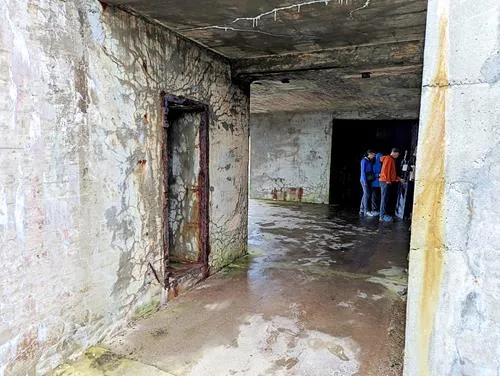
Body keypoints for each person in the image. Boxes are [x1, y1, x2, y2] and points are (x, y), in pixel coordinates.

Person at [379, 148, 402, 222]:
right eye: (397, 154)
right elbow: (386, 171)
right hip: (385, 182)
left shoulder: (391, 159)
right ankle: (382, 217)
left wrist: (398, 179)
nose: (397, 156)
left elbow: (392, 173)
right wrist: (388, 180)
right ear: (394, 153)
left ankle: (383, 215)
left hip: (386, 181)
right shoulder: (389, 159)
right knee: (384, 199)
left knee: (385, 199)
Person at [359, 150, 375, 216]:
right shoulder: (364, 161)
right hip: (364, 180)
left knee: (365, 194)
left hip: (368, 180)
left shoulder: (369, 161)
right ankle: (366, 211)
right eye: (373, 154)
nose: (374, 156)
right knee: (366, 195)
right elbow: (363, 172)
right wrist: (365, 182)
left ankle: (362, 210)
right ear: (369, 154)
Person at [368, 152, 383, 217]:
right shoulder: (374, 164)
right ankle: (374, 210)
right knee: (374, 197)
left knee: (376, 197)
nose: (381, 158)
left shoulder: (380, 164)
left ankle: (377, 210)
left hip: (378, 183)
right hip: (375, 183)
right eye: (380, 157)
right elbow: (371, 174)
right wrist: (378, 175)